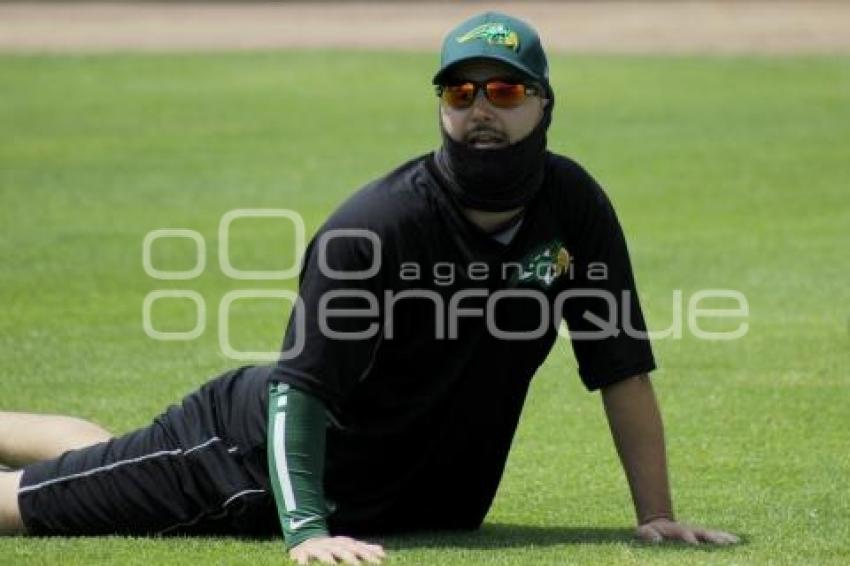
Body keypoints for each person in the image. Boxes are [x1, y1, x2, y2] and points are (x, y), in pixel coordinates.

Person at [0, 11, 739, 565]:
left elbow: (621, 367)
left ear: (545, 102)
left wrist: (656, 515)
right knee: (36, 504)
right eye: (460, 91)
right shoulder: (379, 225)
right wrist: (310, 532)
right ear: (441, 106)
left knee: (103, 457)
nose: (481, 107)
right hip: (246, 455)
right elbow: (302, 389)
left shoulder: (572, 206)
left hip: (411, 494)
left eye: (506, 89)